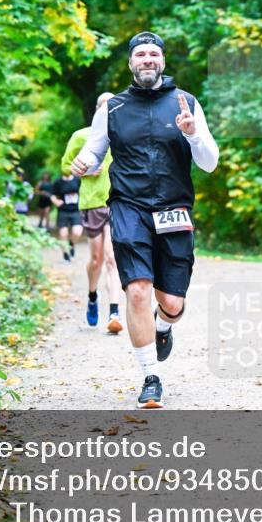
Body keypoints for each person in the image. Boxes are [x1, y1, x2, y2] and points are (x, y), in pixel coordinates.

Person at [71, 31, 219, 408]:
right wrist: (85, 161)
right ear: (131, 63)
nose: (148, 59)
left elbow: (210, 162)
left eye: (154, 53)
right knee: (136, 290)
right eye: (141, 54)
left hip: (174, 208)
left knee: (171, 301)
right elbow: (93, 148)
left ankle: (164, 324)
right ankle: (151, 376)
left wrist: (193, 136)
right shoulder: (113, 108)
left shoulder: (185, 103)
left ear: (163, 61)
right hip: (129, 207)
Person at [61, 92, 124, 334]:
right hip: (91, 203)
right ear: (97, 109)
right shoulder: (82, 136)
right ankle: (92, 295)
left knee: (111, 258)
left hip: (117, 202)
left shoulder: (123, 134)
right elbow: (65, 165)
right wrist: (85, 170)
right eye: (103, 106)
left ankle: (114, 312)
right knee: (96, 260)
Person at [50, 173, 82, 261]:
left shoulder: (77, 180)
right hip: (63, 211)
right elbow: (52, 195)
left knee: (77, 232)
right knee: (63, 234)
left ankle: (71, 245)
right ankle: (65, 252)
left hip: (76, 210)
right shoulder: (58, 181)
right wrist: (56, 201)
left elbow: (84, 191)